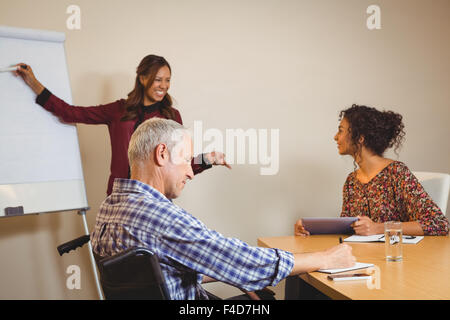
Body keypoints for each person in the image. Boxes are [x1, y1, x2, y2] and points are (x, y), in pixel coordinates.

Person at [90, 118, 355, 300]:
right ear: (161, 154)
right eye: (185, 160)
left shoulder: (110, 208)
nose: (190, 173)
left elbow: (153, 274)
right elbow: (240, 261)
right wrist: (325, 259)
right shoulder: (160, 217)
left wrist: (224, 270)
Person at [13, 55, 230, 195]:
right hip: (119, 197)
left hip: (154, 201)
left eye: (167, 80)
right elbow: (71, 113)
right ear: (143, 78)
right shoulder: (118, 110)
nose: (163, 85)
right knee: (117, 259)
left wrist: (208, 159)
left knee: (150, 263)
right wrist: (33, 82)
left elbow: (177, 165)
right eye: (157, 79)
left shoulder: (172, 116)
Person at [295, 104, 449, 237]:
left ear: (360, 138)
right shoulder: (351, 181)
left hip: (398, 262)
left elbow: (439, 223)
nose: (336, 137)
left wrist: (378, 228)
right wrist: (310, 230)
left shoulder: (396, 172)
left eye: (341, 130)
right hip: (363, 261)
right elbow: (348, 229)